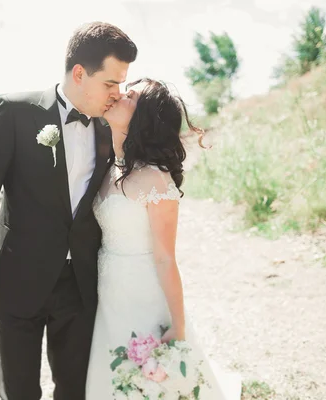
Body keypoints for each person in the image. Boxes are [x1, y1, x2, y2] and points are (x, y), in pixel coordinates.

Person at [0, 21, 137, 400]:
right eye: (110, 83)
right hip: (19, 275)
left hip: (81, 281)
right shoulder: (17, 112)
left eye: (122, 84)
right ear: (80, 73)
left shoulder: (109, 125)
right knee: (19, 389)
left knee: (74, 387)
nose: (118, 94)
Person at [85, 78, 242, 399]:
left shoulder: (156, 179)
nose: (118, 93)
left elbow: (166, 257)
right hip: (109, 291)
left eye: (130, 95)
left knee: (155, 383)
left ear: (143, 116)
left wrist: (179, 328)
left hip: (145, 294)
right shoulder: (110, 167)